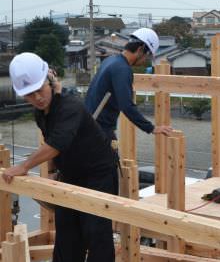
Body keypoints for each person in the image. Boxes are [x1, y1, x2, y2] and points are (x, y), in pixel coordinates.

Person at [2, 53, 116, 262]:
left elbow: (56, 144)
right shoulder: (42, 112)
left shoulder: (70, 107)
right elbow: (52, 142)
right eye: (30, 94)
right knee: (67, 236)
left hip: (97, 176)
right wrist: (54, 172)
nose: (37, 97)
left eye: (39, 89)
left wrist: (24, 166)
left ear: (49, 80)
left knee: (96, 233)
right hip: (71, 175)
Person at [85, 28, 173, 191]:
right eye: (147, 55)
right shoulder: (122, 69)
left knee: (93, 180)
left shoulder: (110, 61)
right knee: (106, 182)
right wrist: (152, 128)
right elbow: (127, 106)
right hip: (99, 132)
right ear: (140, 49)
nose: (146, 60)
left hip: (89, 126)